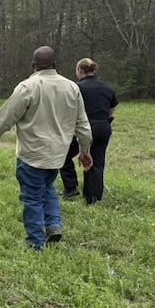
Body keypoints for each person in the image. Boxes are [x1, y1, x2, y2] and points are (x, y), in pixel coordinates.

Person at [0, 46, 93, 251]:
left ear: (33, 66)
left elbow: (6, 118)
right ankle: (53, 224)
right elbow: (83, 124)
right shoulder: (71, 87)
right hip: (57, 155)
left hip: (31, 154)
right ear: (55, 65)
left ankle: (35, 243)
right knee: (47, 187)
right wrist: (85, 151)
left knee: (32, 197)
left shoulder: (27, 87)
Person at [60, 58, 118, 204]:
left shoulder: (76, 88)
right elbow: (112, 108)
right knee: (97, 161)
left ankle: (71, 187)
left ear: (79, 70)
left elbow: (69, 109)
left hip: (82, 128)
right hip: (103, 127)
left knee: (63, 155)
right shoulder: (107, 87)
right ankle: (93, 197)